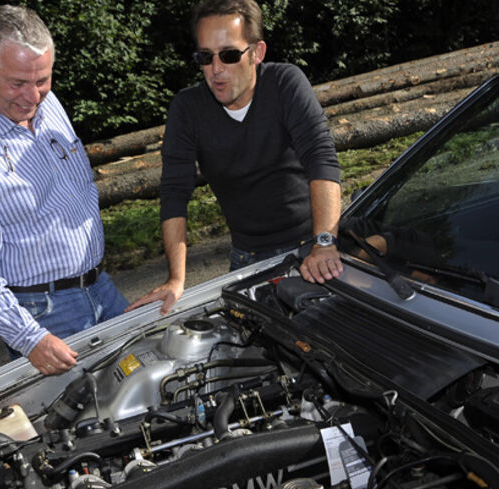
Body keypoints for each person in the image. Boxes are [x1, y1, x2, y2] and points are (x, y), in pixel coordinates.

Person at [0, 5, 126, 376]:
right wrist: (29, 339)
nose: (33, 97)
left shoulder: (47, 105)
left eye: (42, 80)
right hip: (44, 315)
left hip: (102, 287)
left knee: (145, 392)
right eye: (17, 83)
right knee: (88, 428)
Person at [126, 0, 343, 315]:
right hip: (247, 256)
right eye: (205, 57)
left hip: (311, 243)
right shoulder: (187, 109)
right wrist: (176, 279)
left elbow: (321, 159)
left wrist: (324, 244)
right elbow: (174, 192)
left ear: (257, 52)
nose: (215, 70)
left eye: (228, 55)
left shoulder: (285, 83)